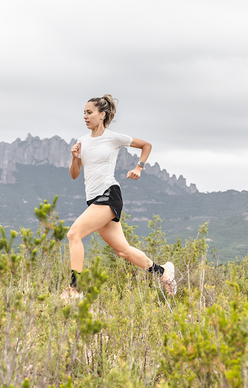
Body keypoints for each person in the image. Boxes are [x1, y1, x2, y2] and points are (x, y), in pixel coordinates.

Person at [61, 95, 176, 300]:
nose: (85, 117)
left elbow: (146, 145)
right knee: (123, 251)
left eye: (89, 112)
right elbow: (74, 174)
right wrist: (74, 158)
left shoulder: (113, 138)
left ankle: (73, 290)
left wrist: (138, 167)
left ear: (102, 114)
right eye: (84, 113)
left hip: (108, 194)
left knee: (74, 234)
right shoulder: (82, 141)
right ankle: (164, 273)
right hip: (94, 198)